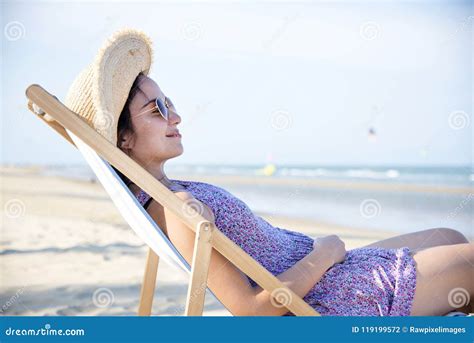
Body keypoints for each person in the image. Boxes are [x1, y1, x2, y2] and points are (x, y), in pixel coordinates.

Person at [64, 28, 473, 317]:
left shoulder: (171, 195)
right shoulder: (179, 209)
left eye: (169, 102)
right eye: (157, 109)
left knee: (450, 237)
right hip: (326, 298)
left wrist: (326, 255)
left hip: (329, 276)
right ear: (123, 141)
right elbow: (252, 313)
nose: (176, 116)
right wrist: (324, 253)